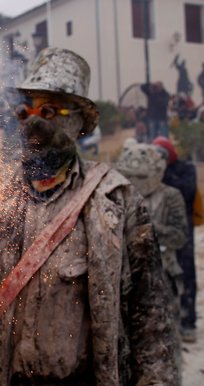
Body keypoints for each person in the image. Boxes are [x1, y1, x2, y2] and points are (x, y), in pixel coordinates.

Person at [0, 47, 178, 385]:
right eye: (26, 109)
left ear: (80, 122)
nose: (35, 121)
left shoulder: (116, 200)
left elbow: (151, 321)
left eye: (51, 109)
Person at [115, 142, 187, 376]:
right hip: (125, 278)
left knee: (165, 339)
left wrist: (148, 228)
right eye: (131, 176)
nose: (136, 181)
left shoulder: (170, 196)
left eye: (141, 176)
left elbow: (180, 236)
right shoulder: (117, 196)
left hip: (164, 275)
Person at [153, 136, 201, 343]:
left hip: (183, 229)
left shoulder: (185, 168)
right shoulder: (153, 172)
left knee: (186, 273)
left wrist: (161, 174)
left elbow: (187, 190)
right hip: (161, 229)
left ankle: (188, 322)